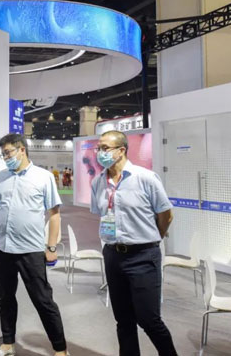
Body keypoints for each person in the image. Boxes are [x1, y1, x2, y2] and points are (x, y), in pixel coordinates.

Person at [0, 133, 68, 356]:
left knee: (43, 300)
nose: (5, 158)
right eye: (3, 154)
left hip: (31, 250)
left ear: (22, 150)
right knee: (5, 299)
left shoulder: (43, 177)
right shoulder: (1, 177)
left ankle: (60, 349)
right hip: (3, 248)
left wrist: (51, 247)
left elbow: (54, 214)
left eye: (8, 153)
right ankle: (8, 343)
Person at [90, 131, 176, 356]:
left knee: (149, 319)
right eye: (99, 148)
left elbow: (166, 214)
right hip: (112, 255)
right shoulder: (98, 182)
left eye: (105, 148)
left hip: (143, 256)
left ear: (121, 150)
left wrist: (152, 237)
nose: (100, 153)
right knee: (123, 320)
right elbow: (101, 213)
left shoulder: (145, 178)